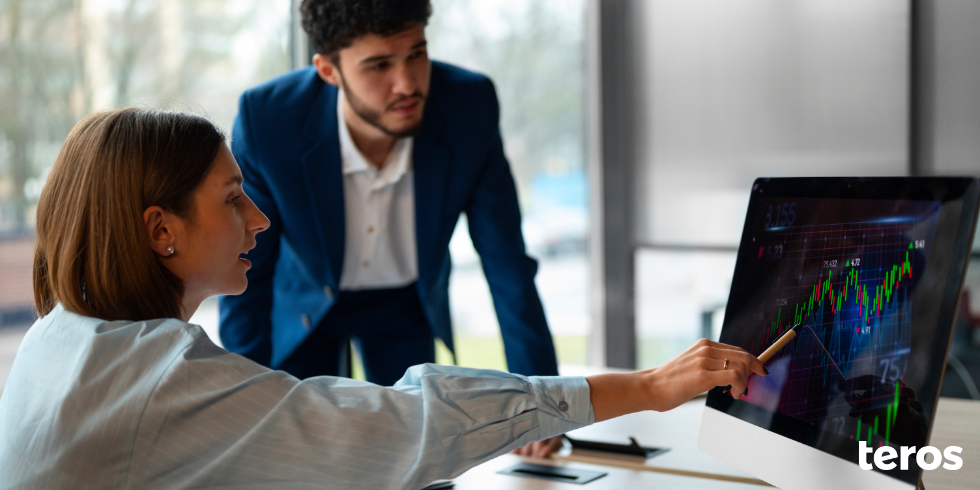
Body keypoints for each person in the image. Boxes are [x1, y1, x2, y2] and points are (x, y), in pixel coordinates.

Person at [0, 108, 764, 489]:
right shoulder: (155, 376)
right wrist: (650, 387)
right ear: (161, 231)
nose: (259, 219)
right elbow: (397, 427)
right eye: (233, 198)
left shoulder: (60, 341)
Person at [219, 0, 557, 386]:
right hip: (305, 304)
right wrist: (242, 396)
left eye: (417, 54)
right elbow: (248, 268)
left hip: (405, 303)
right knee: (300, 437)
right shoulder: (268, 119)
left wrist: (543, 399)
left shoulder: (469, 107)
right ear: (329, 70)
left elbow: (507, 263)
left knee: (412, 437)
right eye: (379, 65)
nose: (409, 84)